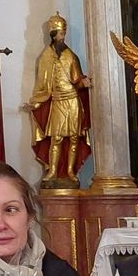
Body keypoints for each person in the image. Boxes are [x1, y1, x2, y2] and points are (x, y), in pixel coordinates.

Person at [28, 13, 91, 187]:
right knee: (56, 138)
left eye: (64, 33)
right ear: (54, 34)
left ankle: (70, 171)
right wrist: (37, 101)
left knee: (73, 138)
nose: (63, 36)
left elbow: (77, 80)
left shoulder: (71, 56)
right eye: (61, 33)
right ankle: (53, 170)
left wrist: (84, 83)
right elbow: (43, 83)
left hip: (72, 101)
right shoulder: (46, 57)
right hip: (57, 101)